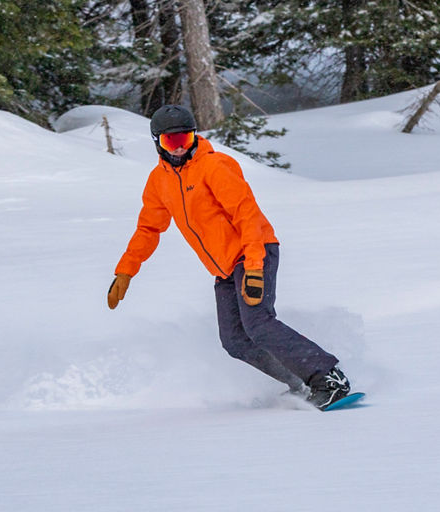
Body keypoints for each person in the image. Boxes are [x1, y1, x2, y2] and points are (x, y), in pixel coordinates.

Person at [106, 104, 352, 410]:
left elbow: (246, 215)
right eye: (172, 141)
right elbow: (148, 229)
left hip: (254, 250)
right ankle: (298, 381)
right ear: (157, 142)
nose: (180, 146)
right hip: (224, 268)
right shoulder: (159, 181)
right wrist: (126, 271)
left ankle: (328, 378)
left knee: (258, 324)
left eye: (186, 137)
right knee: (234, 341)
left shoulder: (216, 166)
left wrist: (252, 267)